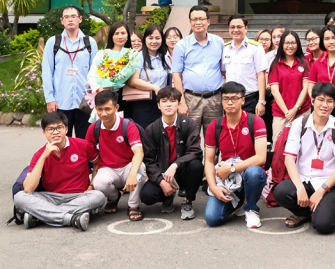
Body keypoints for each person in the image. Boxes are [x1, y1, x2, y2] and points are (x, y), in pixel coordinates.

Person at [274, 82, 335, 233]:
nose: (325, 105)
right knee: (280, 192)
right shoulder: (299, 124)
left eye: (329, 101)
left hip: (327, 182)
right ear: (313, 101)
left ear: (334, 104)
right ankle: (304, 213)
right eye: (321, 99)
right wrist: (300, 188)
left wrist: (321, 191)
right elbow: (289, 159)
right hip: (303, 178)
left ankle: (318, 209)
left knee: (324, 226)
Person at [14, 111, 106, 231]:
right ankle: (72, 219)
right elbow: (28, 189)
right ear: (44, 133)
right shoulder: (39, 154)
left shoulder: (83, 145)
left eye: (59, 127)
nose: (55, 132)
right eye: (50, 129)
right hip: (51, 198)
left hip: (79, 196)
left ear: (66, 129)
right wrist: (43, 157)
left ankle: (43, 216)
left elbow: (98, 162)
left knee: (99, 196)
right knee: (19, 197)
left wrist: (91, 185)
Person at [203, 81, 268, 228]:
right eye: (226, 98)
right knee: (212, 218)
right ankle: (237, 202)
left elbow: (261, 157)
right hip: (227, 179)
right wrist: (213, 187)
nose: (230, 102)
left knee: (254, 173)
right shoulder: (214, 126)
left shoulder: (255, 121)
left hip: (248, 171)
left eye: (234, 98)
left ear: (243, 100)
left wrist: (232, 168)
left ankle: (251, 208)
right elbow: (208, 161)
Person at [140, 87, 204, 220]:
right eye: (164, 101)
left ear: (179, 104)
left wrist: (175, 165)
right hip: (163, 173)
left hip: (183, 170)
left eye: (172, 101)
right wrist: (161, 181)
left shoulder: (189, 124)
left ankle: (188, 201)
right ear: (158, 105)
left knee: (197, 165)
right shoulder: (151, 129)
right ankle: (167, 196)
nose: (168, 104)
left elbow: (195, 151)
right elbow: (149, 160)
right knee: (147, 196)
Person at [41, 6, 98, 138]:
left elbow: (96, 72)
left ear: (80, 19)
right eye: (66, 17)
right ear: (62, 21)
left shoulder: (90, 43)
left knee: (85, 141)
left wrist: (95, 98)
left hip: (85, 102)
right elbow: (47, 72)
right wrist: (49, 99)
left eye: (73, 16)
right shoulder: (53, 43)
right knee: (61, 141)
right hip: (61, 101)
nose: (70, 19)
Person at [90, 90, 146, 221]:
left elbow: (139, 152)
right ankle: (114, 197)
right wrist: (90, 184)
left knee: (140, 169)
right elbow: (88, 151)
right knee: (99, 182)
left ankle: (133, 205)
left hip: (128, 167)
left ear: (116, 108)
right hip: (108, 169)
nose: (103, 113)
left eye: (108, 109)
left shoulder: (128, 126)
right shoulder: (94, 128)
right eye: (100, 109)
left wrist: (132, 174)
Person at [171, 6, 225, 139]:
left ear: (208, 21)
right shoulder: (181, 45)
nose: (198, 22)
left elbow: (223, 70)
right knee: (189, 137)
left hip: (215, 99)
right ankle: (191, 161)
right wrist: (181, 102)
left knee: (215, 136)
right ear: (190, 22)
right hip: (190, 99)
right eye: (194, 19)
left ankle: (211, 161)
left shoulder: (218, 42)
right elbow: (176, 75)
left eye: (201, 19)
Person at [268, 30, 311, 145]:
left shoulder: (304, 63)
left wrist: (295, 108)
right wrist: (287, 112)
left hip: (302, 111)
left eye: (293, 42)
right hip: (281, 113)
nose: (290, 46)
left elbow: (305, 88)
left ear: (298, 44)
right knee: (278, 145)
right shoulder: (275, 64)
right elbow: (275, 91)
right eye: (287, 43)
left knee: (304, 145)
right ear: (282, 44)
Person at [124, 24, 170, 129]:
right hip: (143, 103)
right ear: (145, 39)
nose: (154, 41)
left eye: (158, 38)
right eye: (150, 38)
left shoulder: (164, 58)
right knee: (144, 134)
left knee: (161, 135)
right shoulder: (138, 57)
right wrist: (155, 88)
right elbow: (133, 81)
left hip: (161, 103)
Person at [222, 14, 269, 117]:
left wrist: (261, 101)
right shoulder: (225, 48)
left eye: (239, 27)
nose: (235, 30)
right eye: (232, 27)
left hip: (250, 98)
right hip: (230, 100)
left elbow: (261, 75)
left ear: (246, 28)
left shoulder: (255, 48)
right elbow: (224, 72)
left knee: (249, 130)